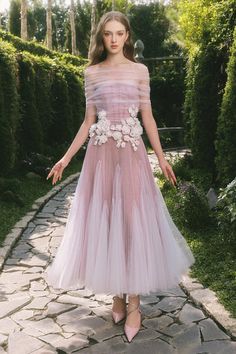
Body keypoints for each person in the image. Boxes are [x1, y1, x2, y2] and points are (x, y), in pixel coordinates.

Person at [45, 10, 195, 343]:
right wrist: (65, 158)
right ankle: (116, 295)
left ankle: (135, 304)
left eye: (119, 33)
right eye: (108, 34)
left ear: (127, 35)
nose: (113, 39)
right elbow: (88, 121)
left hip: (131, 157)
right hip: (100, 158)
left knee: (131, 221)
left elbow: (149, 118)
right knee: (107, 222)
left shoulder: (140, 71)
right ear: (101, 37)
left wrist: (161, 157)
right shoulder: (92, 73)